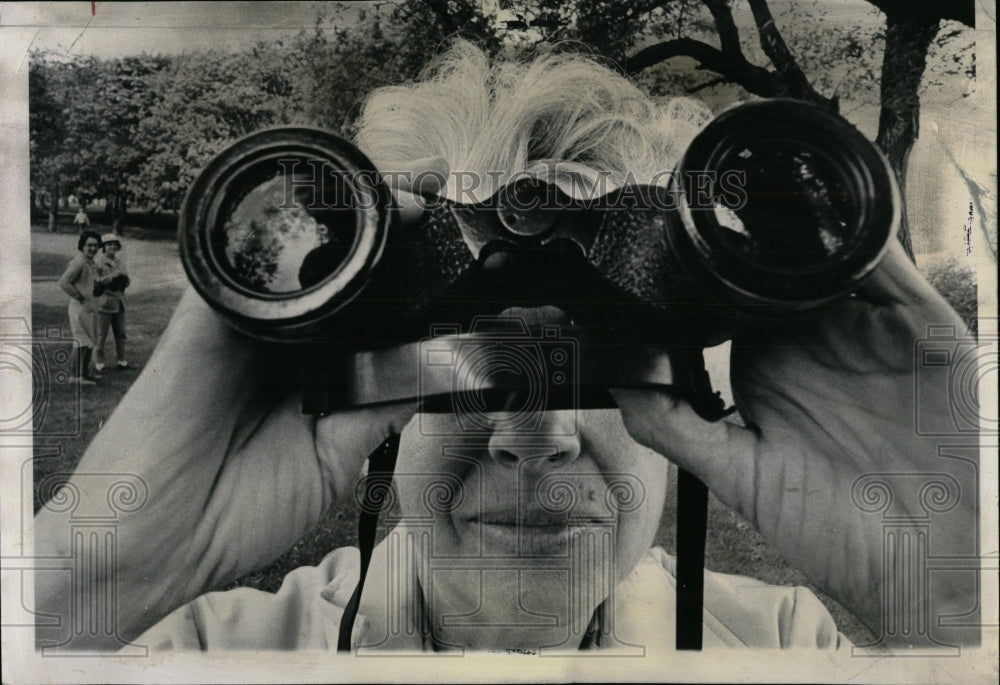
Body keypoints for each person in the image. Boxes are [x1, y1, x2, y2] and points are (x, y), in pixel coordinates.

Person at [34, 42, 979, 654]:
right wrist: (101, 570)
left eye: (607, 361)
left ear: (696, 375)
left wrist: (949, 582)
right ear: (377, 398)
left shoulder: (785, 646)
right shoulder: (209, 650)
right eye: (464, 365)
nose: (539, 436)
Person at [56, 230, 104, 385]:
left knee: (89, 341)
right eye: (89, 245)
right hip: (79, 307)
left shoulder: (90, 262)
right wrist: (80, 296)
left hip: (88, 306)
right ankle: (74, 377)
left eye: (96, 245)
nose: (92, 248)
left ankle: (84, 374)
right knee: (81, 341)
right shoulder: (79, 262)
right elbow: (64, 282)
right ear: (82, 246)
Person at [93, 233, 131, 371]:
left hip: (119, 301)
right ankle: (99, 362)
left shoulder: (119, 261)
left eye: (115, 244)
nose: (112, 247)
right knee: (101, 334)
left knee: (121, 333)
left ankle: (121, 360)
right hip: (104, 302)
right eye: (109, 244)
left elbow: (126, 281)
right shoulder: (98, 262)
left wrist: (125, 279)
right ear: (103, 247)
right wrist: (113, 276)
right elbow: (96, 282)